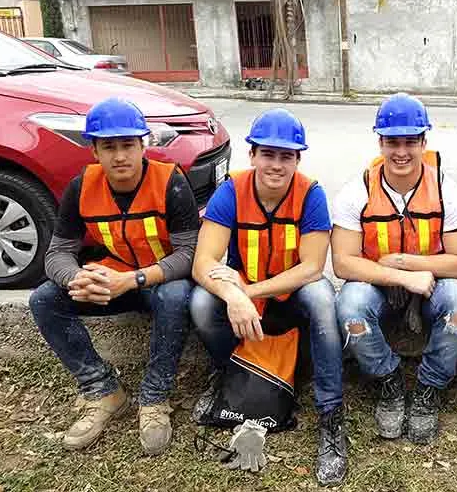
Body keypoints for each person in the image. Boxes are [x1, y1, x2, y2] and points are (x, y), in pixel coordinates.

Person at [28, 97, 198, 455]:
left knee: (176, 294)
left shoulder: (171, 182)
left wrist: (135, 280)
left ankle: (154, 398)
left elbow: (189, 254)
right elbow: (57, 252)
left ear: (143, 146)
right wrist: (75, 278)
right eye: (109, 147)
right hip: (112, 278)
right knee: (44, 299)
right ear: (94, 151)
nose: (120, 156)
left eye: (128, 145)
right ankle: (103, 390)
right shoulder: (81, 187)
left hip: (159, 279)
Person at [189, 108, 345, 486]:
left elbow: (311, 267)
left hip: (287, 294)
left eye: (286, 156)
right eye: (268, 154)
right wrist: (231, 294)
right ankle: (229, 374)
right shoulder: (232, 190)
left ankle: (331, 416)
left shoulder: (311, 193)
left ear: (297, 159)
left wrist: (246, 291)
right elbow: (202, 263)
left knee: (323, 300)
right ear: (252, 155)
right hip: (245, 296)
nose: (276, 164)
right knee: (200, 303)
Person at [331, 93, 457, 445]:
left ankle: (430, 387)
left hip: (431, 285)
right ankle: (388, 381)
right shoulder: (357, 191)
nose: (401, 152)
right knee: (350, 307)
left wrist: (407, 262)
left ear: (424, 142)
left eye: (411, 141)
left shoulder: (446, 190)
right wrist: (399, 275)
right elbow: (343, 262)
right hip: (378, 285)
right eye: (392, 141)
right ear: (380, 141)